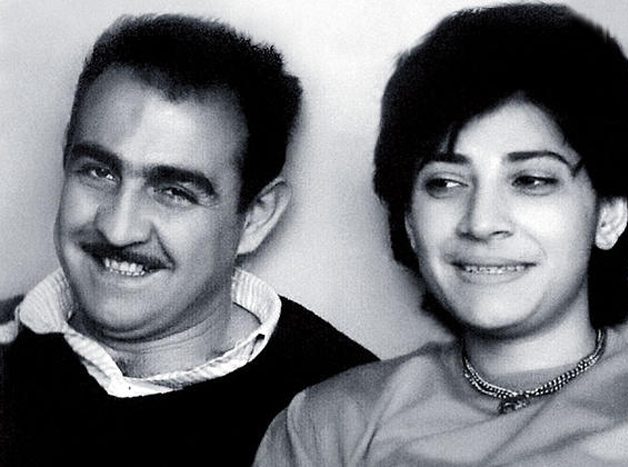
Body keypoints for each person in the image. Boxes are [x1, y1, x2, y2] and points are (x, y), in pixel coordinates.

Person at [254, 4, 628, 465]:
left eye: (531, 180)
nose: (481, 222)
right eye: (446, 183)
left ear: (608, 216)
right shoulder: (331, 424)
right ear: (409, 221)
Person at [0, 14, 376, 466]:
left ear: (256, 217)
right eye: (99, 172)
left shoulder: (358, 414)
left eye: (174, 191)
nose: (119, 229)